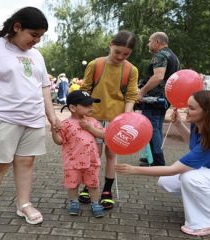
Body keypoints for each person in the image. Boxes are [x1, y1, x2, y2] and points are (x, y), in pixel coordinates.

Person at [0, 7, 60, 231]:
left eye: (41, 36)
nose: (37, 41)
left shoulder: (36, 55)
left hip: (33, 119)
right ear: (17, 27)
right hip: (3, 118)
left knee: (26, 162)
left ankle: (23, 203)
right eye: (33, 35)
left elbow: (44, 86)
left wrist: (51, 116)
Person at [116, 90, 210, 237]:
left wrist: (134, 170)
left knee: (190, 178)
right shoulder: (198, 125)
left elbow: (173, 169)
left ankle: (208, 223)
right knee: (167, 182)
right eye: (187, 106)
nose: (186, 110)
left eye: (192, 108)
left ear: (208, 112)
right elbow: (193, 145)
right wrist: (178, 124)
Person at [79, 30, 138, 210]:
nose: (120, 56)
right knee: (93, 154)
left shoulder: (131, 70)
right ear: (110, 45)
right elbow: (85, 89)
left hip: (116, 120)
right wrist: (82, 112)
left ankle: (107, 190)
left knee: (111, 155)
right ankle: (89, 186)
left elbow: (130, 96)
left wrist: (126, 117)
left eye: (126, 54)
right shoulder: (95, 64)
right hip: (93, 117)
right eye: (117, 52)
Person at [52, 90, 105, 218]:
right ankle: (74, 202)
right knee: (72, 184)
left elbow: (104, 135)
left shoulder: (92, 121)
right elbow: (59, 141)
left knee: (93, 184)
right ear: (72, 107)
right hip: (72, 162)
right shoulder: (65, 124)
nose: (91, 107)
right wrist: (54, 131)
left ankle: (95, 203)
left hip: (91, 161)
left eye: (91, 104)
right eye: (87, 105)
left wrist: (89, 128)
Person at [138, 32, 180, 167]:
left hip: (154, 97)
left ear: (157, 42)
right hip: (166, 97)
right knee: (157, 126)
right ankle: (152, 155)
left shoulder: (160, 55)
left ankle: (157, 160)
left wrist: (142, 91)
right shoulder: (174, 56)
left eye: (150, 41)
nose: (148, 44)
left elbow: (158, 76)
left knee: (151, 128)